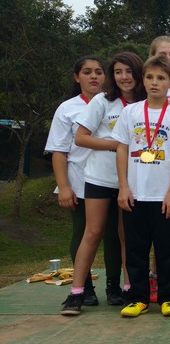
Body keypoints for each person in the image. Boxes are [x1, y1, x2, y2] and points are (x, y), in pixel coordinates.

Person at [60, 53, 147, 315]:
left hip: (131, 181)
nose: (124, 77)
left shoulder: (145, 103)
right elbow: (81, 138)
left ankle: (129, 289)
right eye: (119, 72)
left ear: (138, 74)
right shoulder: (102, 100)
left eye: (129, 71)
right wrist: (117, 145)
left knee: (126, 236)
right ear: (113, 76)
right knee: (93, 232)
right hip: (99, 177)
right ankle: (76, 293)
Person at [111, 55, 170, 317]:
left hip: (163, 194)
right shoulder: (130, 112)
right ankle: (139, 297)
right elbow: (122, 149)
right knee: (136, 248)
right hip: (135, 193)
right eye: (149, 77)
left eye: (161, 78)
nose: (154, 83)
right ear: (143, 80)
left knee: (166, 248)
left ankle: (169, 297)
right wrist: (123, 187)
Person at [47, 55, 104, 311]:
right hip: (79, 180)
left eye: (99, 72)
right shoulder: (68, 108)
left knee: (113, 235)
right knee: (83, 231)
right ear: (76, 77)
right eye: (88, 72)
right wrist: (65, 186)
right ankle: (85, 290)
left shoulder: (116, 104)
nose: (94, 77)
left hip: (110, 180)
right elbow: (58, 151)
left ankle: (116, 287)